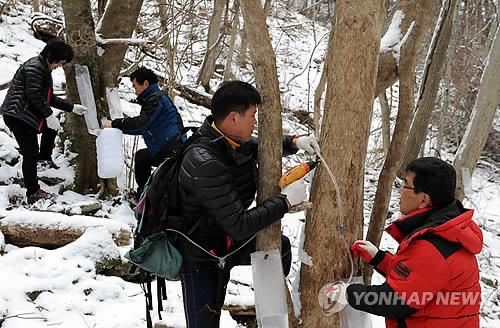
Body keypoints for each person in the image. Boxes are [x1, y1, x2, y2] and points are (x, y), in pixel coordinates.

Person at [177, 80, 319, 327]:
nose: (255, 123)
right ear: (233, 118)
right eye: (252, 116)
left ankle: (271, 313)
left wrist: (296, 142)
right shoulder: (204, 161)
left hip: (227, 242)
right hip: (201, 254)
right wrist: (285, 202)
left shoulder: (229, 140)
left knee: (279, 248)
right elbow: (240, 225)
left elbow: (261, 146)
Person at [344, 157, 482, 327]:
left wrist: (347, 293)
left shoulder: (432, 246)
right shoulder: (448, 230)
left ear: (424, 200)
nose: (400, 190)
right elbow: (421, 278)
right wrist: (379, 259)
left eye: (406, 185)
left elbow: (394, 300)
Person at [0, 39, 88, 205]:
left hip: (24, 115)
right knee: (31, 152)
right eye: (60, 62)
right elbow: (34, 95)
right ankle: (33, 192)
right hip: (18, 115)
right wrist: (48, 116)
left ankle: (43, 160)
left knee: (49, 131)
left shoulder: (42, 68)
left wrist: (72, 107)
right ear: (52, 57)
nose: (60, 66)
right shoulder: (35, 68)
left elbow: (48, 98)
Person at [101, 67, 183, 197]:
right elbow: (143, 126)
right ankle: (145, 194)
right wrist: (119, 126)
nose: (135, 91)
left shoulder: (156, 100)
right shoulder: (156, 98)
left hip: (170, 149)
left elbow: (141, 124)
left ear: (145, 84)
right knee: (142, 157)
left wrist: (114, 124)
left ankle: (146, 196)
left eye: (135, 86)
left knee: (143, 159)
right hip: (168, 146)